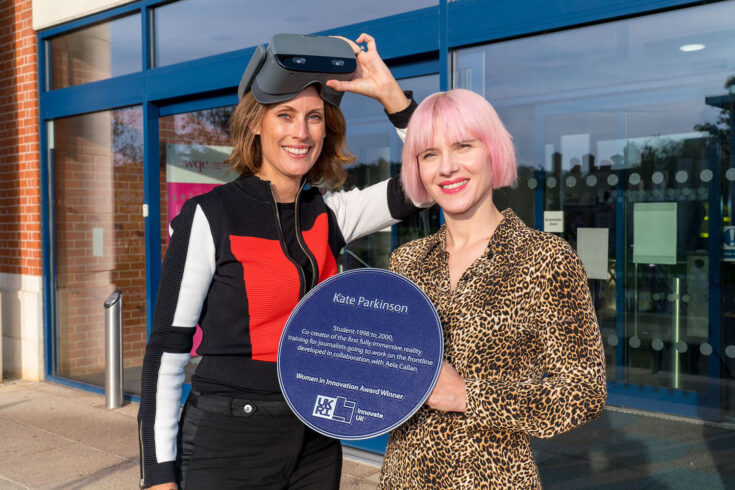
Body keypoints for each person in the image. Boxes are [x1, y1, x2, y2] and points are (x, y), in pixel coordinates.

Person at [138, 33, 423, 489]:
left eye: (314, 117)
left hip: (315, 437)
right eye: (285, 115)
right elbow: (167, 352)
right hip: (227, 441)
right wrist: (158, 476)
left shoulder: (328, 214)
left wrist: (391, 96)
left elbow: (424, 180)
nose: (301, 132)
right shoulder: (210, 217)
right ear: (256, 124)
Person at [379, 88, 607, 489]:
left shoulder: (543, 258)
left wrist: (469, 395)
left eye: (463, 146)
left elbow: (584, 391)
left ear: (492, 152)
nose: (447, 167)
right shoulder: (406, 261)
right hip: (403, 477)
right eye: (429, 154)